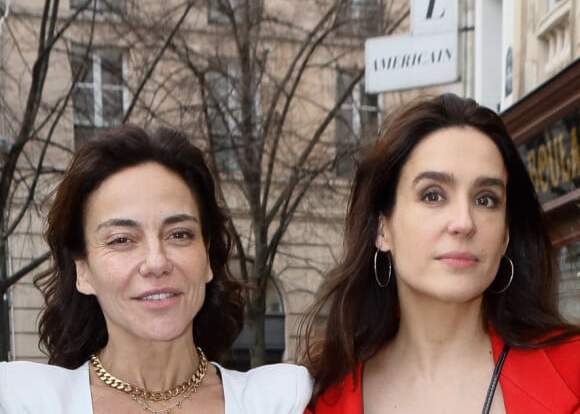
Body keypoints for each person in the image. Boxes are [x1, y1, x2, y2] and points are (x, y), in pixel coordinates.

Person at [0, 124, 312, 413]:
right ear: (82, 270)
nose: (157, 262)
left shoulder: (281, 399)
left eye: (179, 234)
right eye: (122, 239)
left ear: (207, 256)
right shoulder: (23, 400)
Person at [301, 93, 580, 413]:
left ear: (506, 234)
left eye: (486, 199)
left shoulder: (573, 374)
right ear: (382, 229)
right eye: (433, 195)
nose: (464, 222)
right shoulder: (319, 398)